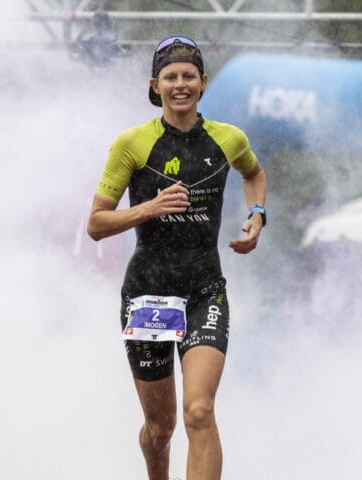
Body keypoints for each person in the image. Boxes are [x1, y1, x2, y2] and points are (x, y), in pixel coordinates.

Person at [87, 35, 267, 480]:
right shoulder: (132, 143)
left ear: (203, 83)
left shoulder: (229, 139)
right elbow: (96, 224)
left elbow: (254, 174)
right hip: (148, 293)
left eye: (189, 76)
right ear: (156, 85)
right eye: (171, 77)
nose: (180, 85)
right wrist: (150, 207)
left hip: (204, 289)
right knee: (161, 427)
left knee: (200, 410)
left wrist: (257, 214)